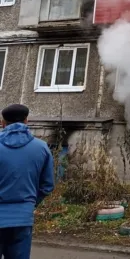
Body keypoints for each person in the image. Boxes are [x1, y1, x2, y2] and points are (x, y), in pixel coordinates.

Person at [0, 104, 55, 259]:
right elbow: (47, 185)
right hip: (23, 218)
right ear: (26, 121)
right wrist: (29, 203)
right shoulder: (41, 147)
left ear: (2, 122)